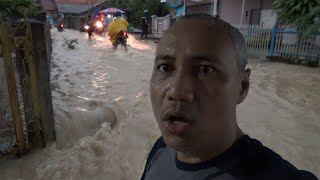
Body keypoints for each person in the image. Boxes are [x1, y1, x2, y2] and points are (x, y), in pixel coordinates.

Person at [141, 14, 318, 180]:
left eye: (205, 70)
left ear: (242, 87)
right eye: (165, 68)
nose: (176, 92)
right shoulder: (161, 149)